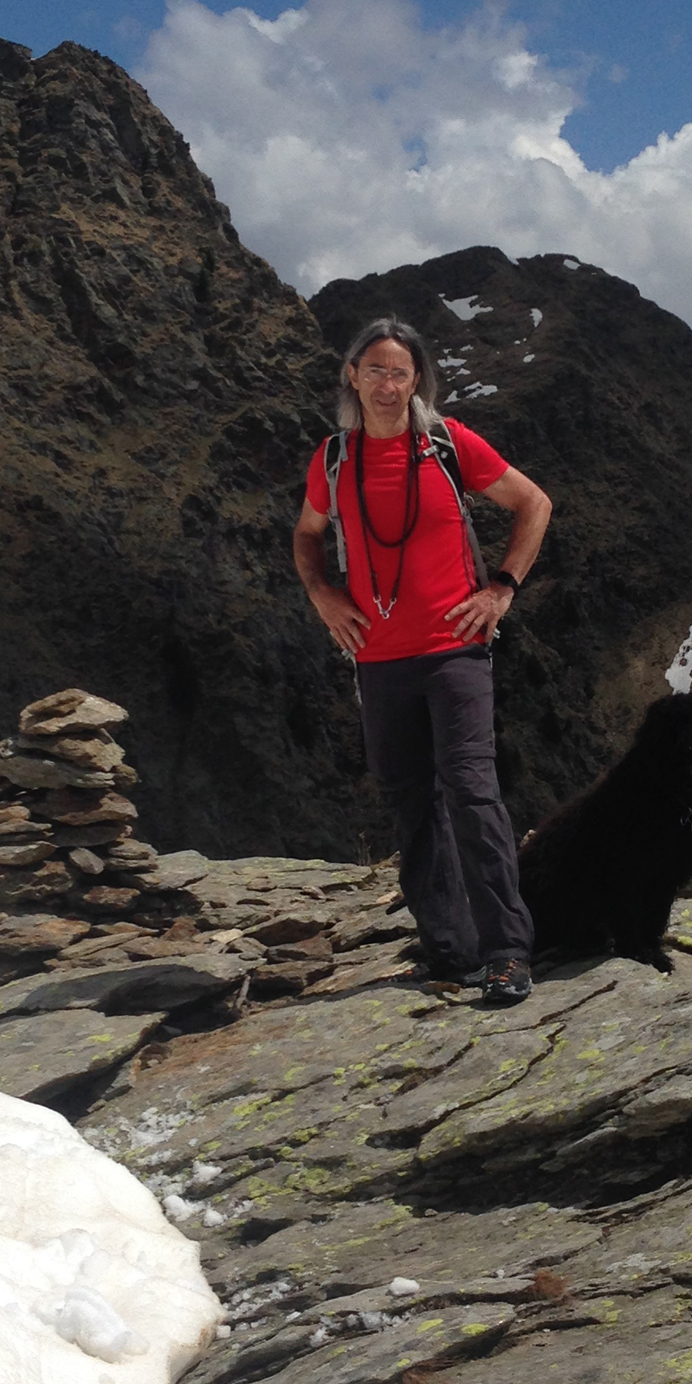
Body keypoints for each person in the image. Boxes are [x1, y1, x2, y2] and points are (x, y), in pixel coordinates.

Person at [294, 316, 552, 1005]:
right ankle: (449, 948)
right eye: (374, 369)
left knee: (471, 793)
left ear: (417, 381)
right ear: (352, 376)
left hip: (453, 654)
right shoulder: (332, 459)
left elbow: (533, 503)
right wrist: (323, 595)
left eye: (399, 372)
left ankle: (506, 952)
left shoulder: (445, 444)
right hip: (378, 663)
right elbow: (306, 535)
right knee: (411, 805)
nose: (386, 384)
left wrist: (501, 589)